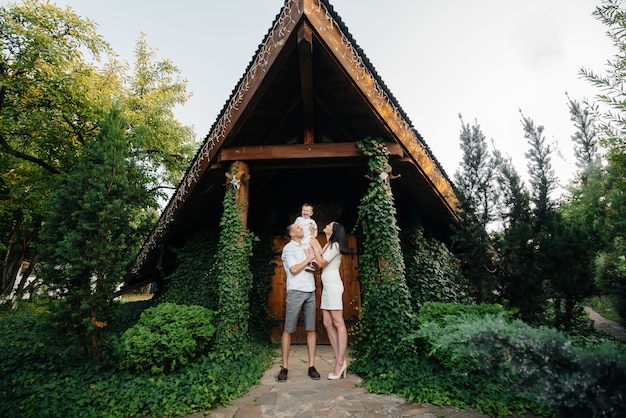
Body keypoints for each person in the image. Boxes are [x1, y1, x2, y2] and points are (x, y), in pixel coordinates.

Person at [278, 223, 321, 382]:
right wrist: (308, 259)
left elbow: (312, 267)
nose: (301, 228)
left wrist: (313, 260)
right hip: (295, 291)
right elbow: (294, 269)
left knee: (311, 329)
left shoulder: (306, 246)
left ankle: (311, 366)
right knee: (289, 329)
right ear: (292, 233)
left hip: (310, 291)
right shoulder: (289, 249)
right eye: (298, 228)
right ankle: (284, 367)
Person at [309, 222, 350, 379]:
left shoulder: (336, 246)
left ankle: (339, 362)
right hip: (327, 288)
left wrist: (313, 242)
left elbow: (321, 263)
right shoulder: (328, 245)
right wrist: (314, 240)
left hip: (333, 287)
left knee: (338, 322)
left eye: (328, 225)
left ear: (333, 231)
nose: (325, 225)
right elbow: (320, 259)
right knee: (327, 323)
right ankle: (339, 358)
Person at [294, 203, 319, 272]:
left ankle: (314, 262)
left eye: (307, 211)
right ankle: (309, 264)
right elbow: (295, 227)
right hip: (301, 240)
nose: (305, 212)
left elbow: (315, 229)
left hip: (308, 238)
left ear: (311, 213)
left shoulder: (312, 221)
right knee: (306, 252)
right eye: (303, 210)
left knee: (311, 250)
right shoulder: (299, 219)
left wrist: (314, 236)